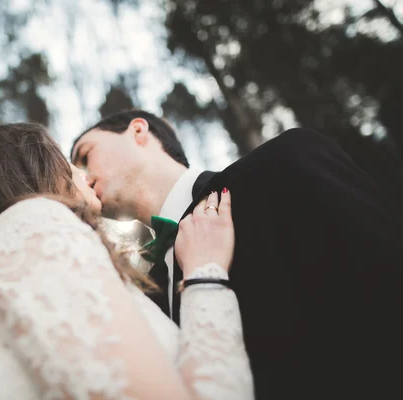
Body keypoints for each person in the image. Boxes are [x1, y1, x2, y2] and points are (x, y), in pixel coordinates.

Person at [0, 123, 253, 400]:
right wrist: (205, 275)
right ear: (35, 169)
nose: (82, 174)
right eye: (67, 159)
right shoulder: (34, 228)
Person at [71, 110, 403, 400]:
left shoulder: (286, 161)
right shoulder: (144, 294)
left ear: (138, 131)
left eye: (85, 155)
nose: (82, 176)